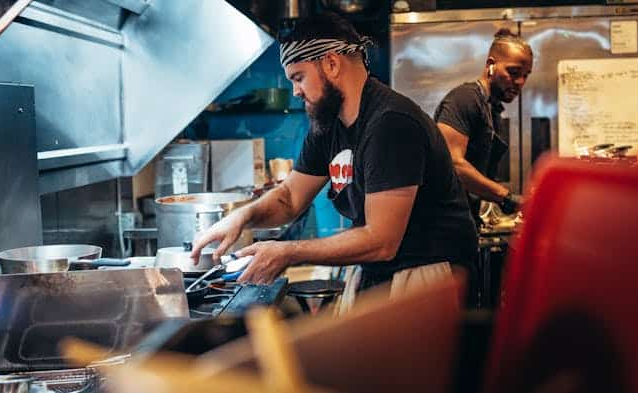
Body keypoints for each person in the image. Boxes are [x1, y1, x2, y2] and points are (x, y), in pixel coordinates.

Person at [190, 12, 478, 291]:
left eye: (299, 77)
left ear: (331, 64)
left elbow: (382, 241)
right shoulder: (329, 125)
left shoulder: (391, 124)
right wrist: (241, 218)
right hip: (383, 271)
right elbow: (290, 198)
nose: (295, 92)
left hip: (427, 275)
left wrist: (288, 252)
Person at [434, 29, 533, 219]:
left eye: (525, 75)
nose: (520, 82)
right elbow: (453, 164)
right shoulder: (465, 99)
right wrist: (506, 197)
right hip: (443, 226)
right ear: (491, 65)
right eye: (513, 72)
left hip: (465, 219)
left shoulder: (491, 108)